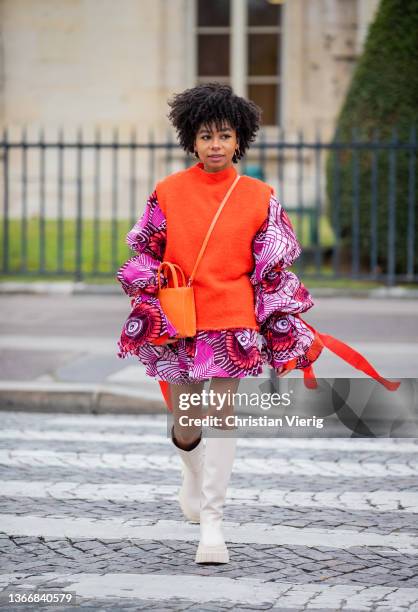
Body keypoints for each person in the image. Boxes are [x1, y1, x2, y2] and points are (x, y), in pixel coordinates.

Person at [115, 82, 398, 565]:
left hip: (232, 319)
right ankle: (191, 470)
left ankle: (213, 524)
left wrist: (281, 325)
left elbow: (273, 269)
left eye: (224, 135)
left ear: (240, 139)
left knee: (222, 416)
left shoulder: (260, 196)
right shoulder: (168, 191)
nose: (216, 145)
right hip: (180, 318)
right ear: (192, 140)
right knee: (187, 424)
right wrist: (150, 288)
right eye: (206, 136)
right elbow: (144, 250)